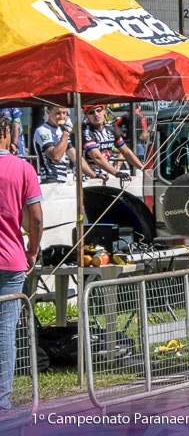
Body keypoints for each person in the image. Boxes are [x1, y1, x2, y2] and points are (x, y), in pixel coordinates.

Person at [0, 114, 42, 414]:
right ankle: (1, 400)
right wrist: (33, 249)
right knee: (4, 332)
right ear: (5, 133)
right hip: (11, 259)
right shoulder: (22, 167)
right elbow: (36, 218)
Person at [33, 106, 98, 184]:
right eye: (58, 113)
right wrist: (66, 133)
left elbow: (75, 157)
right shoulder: (42, 130)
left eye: (64, 113)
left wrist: (94, 176)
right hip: (50, 179)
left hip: (63, 178)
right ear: (48, 112)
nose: (62, 117)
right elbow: (55, 157)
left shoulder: (61, 130)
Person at [82, 104, 145, 180]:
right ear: (86, 116)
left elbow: (126, 152)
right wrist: (117, 173)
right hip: (89, 178)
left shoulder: (110, 129)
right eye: (91, 112)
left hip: (105, 175)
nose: (96, 114)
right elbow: (96, 157)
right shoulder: (86, 131)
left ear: (104, 111)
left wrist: (143, 168)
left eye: (99, 110)